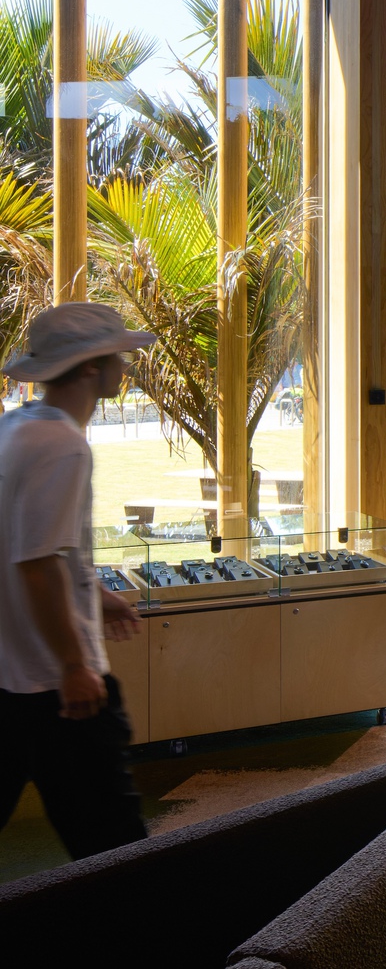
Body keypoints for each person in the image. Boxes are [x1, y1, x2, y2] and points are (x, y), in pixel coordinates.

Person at [0, 302, 157, 858]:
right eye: (119, 355)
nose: (126, 364)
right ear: (91, 366)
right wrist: (72, 665)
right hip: (56, 690)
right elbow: (36, 563)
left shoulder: (16, 428)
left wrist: (97, 595)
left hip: (10, 678)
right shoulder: (64, 444)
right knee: (114, 850)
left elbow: (30, 545)